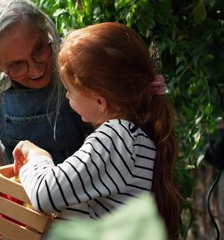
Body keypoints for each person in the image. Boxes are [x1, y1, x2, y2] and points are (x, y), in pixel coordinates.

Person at [13, 22, 181, 238]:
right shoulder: (135, 139)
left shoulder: (116, 137)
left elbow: (45, 195)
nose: (66, 97)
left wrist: (37, 157)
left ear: (100, 101)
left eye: (70, 91)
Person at [0, 0, 90, 239]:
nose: (36, 70)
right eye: (17, 66)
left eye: (39, 50)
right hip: (19, 206)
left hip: (81, 199)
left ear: (46, 31)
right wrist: (1, 217)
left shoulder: (75, 67)